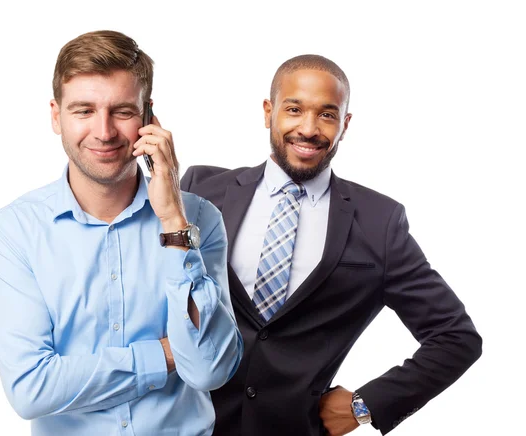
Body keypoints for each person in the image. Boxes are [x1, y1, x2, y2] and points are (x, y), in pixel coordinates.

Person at [181, 55, 482, 435]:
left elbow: (456, 338)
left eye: (326, 114)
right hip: (182, 424)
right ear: (268, 112)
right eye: (294, 109)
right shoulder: (200, 190)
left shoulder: (379, 222)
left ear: (345, 124)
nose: (308, 129)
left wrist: (365, 405)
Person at [0, 30, 242, 436]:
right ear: (56, 116)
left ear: (148, 116)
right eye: (83, 111)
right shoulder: (18, 229)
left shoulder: (199, 218)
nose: (104, 132)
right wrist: (165, 354)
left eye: (122, 111)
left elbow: (210, 368)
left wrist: (173, 221)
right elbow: (30, 389)